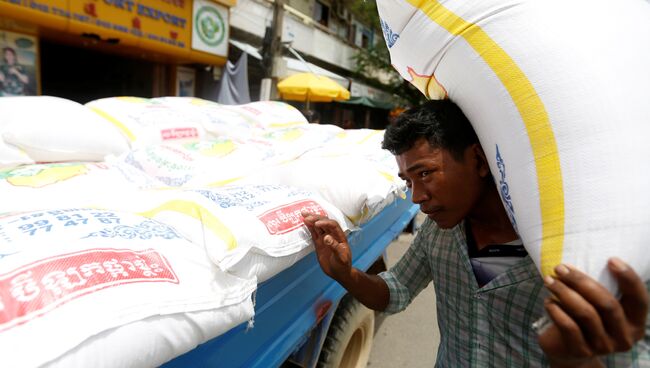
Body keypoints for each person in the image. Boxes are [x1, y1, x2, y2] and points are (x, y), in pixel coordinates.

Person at [302, 99, 649, 367]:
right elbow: (396, 292)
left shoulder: (579, 254)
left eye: (425, 174)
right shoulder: (439, 234)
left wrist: (575, 360)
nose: (417, 198)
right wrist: (345, 274)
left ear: (480, 161)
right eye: (409, 181)